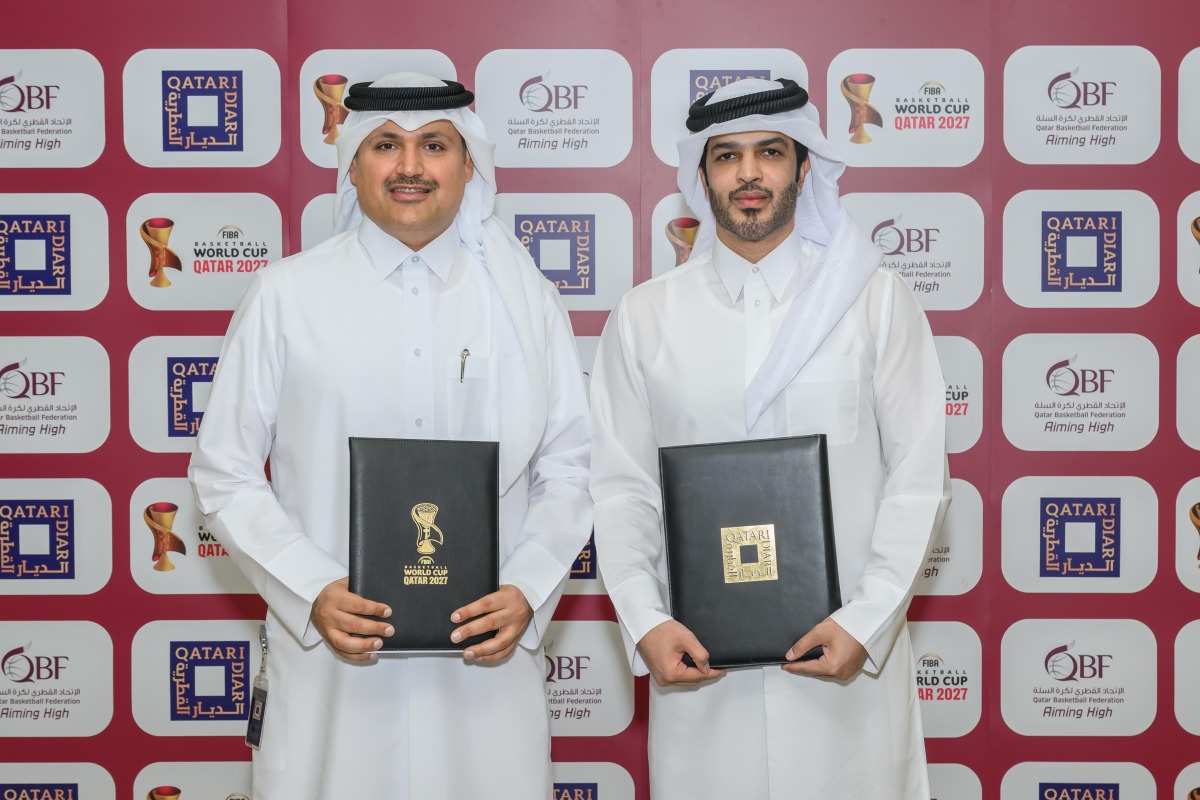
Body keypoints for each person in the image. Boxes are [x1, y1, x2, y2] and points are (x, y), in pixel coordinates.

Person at [189, 72, 592, 800]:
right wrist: (310, 589)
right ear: (352, 164)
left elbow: (570, 466)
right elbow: (224, 471)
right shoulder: (287, 294)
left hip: (483, 665)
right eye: (385, 145)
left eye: (434, 145)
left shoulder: (524, 299)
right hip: (335, 670)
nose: (410, 167)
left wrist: (528, 588)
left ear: (468, 164)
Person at [590, 78, 951, 798]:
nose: (749, 175)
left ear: (804, 166)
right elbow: (622, 488)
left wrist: (867, 620)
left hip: (845, 673)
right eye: (726, 157)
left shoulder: (873, 300)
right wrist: (646, 620)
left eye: (769, 153)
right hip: (700, 675)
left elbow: (918, 476)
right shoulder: (644, 318)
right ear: (702, 176)